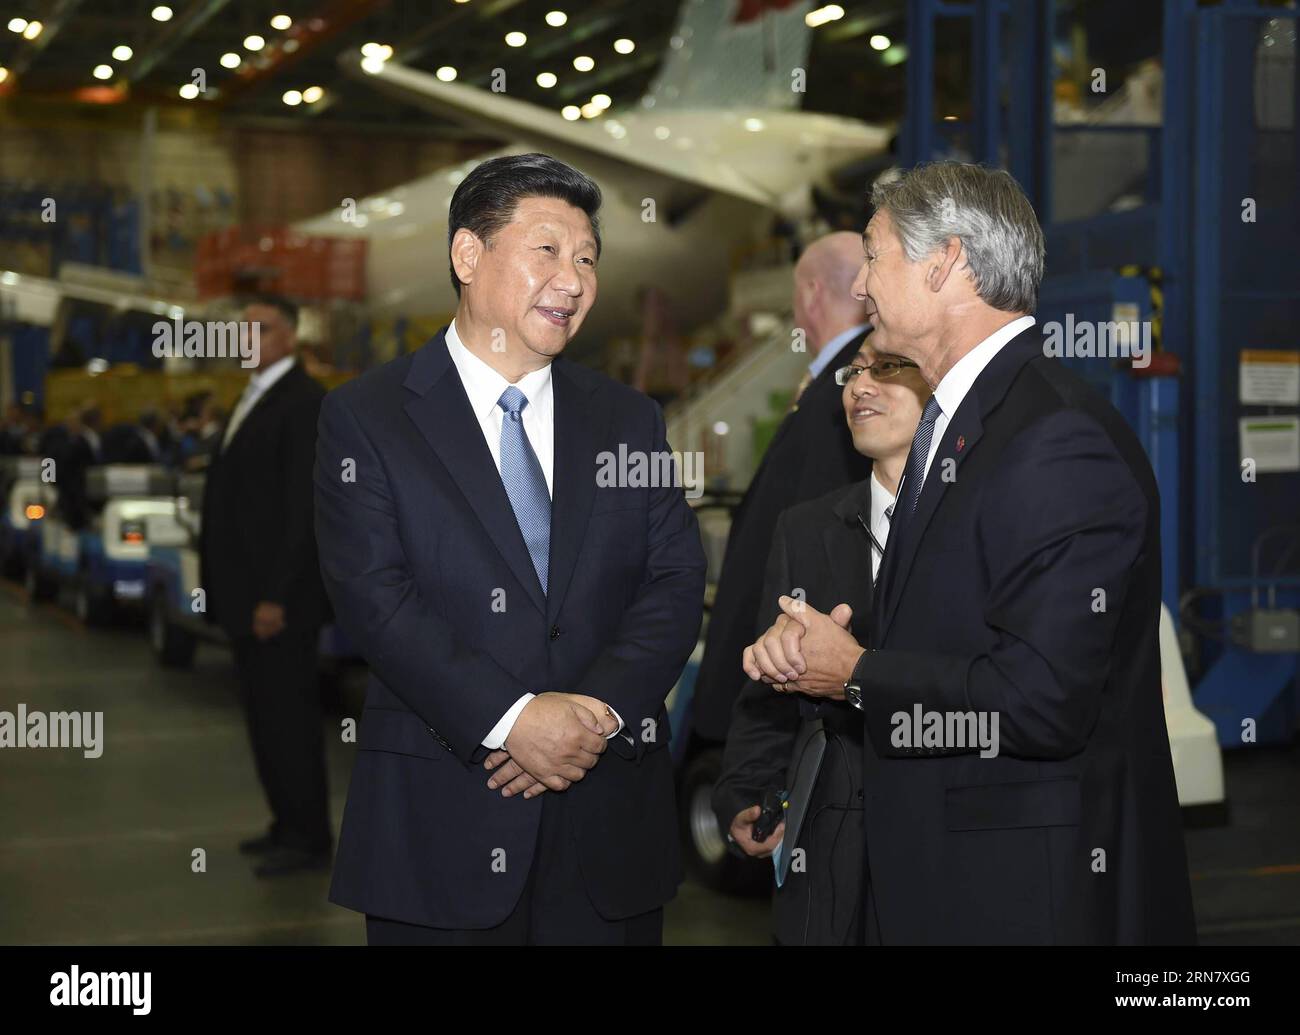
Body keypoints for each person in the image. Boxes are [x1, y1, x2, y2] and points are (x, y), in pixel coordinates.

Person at [744, 161, 1196, 945]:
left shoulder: (1055, 438)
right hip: (947, 882)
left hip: (1021, 899)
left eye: (877, 256)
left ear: (945, 261)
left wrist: (853, 670)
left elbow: (1041, 699)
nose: (862, 287)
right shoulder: (965, 424)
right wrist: (830, 650)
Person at [315, 152, 706, 945]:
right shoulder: (368, 418)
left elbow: (673, 580)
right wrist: (510, 718)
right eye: (549, 250)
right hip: (442, 825)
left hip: (608, 830)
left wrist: (588, 715)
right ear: (468, 254)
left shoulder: (628, 419)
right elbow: (375, 598)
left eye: (589, 259)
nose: (574, 279)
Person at [714, 340, 929, 944]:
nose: (859, 386)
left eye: (885, 368)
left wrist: (855, 670)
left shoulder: (983, 521)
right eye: (852, 371)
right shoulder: (805, 529)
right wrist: (745, 793)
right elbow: (764, 695)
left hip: (945, 841)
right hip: (830, 855)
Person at [691, 232, 873, 747]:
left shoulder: (847, 396)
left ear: (811, 293)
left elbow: (825, 552)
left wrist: (767, 740)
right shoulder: (840, 387)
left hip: (792, 691)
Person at [200, 293, 333, 877]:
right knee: (262, 716)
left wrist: (278, 595)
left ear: (289, 336)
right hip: (246, 597)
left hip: (277, 603)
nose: (246, 338)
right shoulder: (252, 397)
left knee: (288, 718)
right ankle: (284, 822)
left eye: (259, 328)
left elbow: (303, 511)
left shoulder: (303, 402)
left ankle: (307, 837)